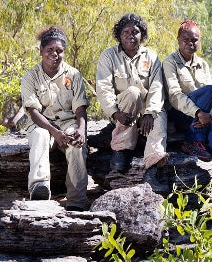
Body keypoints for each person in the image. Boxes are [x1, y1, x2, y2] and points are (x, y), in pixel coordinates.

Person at [162, 20, 212, 190]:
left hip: (201, 117)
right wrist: (199, 112)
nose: (190, 43)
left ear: (199, 41)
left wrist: (210, 116)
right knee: (209, 90)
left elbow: (211, 102)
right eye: (186, 39)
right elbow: (175, 96)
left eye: (195, 40)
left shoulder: (203, 64)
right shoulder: (170, 62)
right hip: (180, 115)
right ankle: (193, 140)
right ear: (178, 39)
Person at [20, 25, 89, 211]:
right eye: (49, 50)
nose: (54, 54)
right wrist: (55, 133)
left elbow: (80, 107)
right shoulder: (30, 76)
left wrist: (81, 130)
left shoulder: (73, 75)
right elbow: (33, 111)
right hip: (42, 124)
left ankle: (76, 200)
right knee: (41, 136)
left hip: (67, 123)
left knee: (76, 143)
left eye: (59, 51)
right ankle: (39, 187)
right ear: (41, 51)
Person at [96, 13, 168, 174]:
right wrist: (115, 113)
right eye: (125, 32)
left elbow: (157, 87)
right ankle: (122, 150)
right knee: (133, 93)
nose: (130, 36)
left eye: (135, 32)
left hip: (148, 109)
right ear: (119, 35)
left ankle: (153, 169)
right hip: (123, 109)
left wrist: (150, 113)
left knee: (159, 120)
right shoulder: (108, 56)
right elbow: (103, 88)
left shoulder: (151, 56)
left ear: (142, 34)